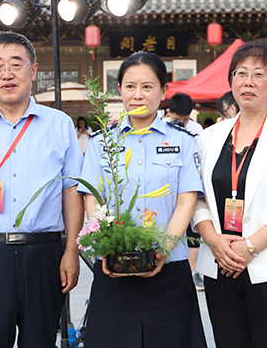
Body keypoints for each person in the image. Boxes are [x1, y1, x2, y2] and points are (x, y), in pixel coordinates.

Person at [0, 31, 84, 348]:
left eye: (16, 64)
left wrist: (71, 252)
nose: (7, 74)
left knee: (40, 341)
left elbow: (71, 192)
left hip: (45, 253)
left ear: (33, 71)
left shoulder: (59, 124)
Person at [79, 51, 207, 348]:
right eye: (130, 86)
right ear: (119, 89)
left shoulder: (182, 142)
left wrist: (164, 248)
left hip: (169, 271)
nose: (138, 95)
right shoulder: (101, 143)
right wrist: (105, 243)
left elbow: (186, 201)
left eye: (148, 87)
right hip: (114, 268)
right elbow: (93, 201)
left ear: (163, 91)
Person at [193, 41, 267, 348]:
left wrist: (249, 247)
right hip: (219, 264)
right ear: (231, 81)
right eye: (240, 73)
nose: (248, 82)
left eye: (259, 74)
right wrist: (213, 240)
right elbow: (197, 198)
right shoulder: (209, 137)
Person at [164, 92, 205, 290]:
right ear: (168, 112)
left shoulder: (197, 131)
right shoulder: (161, 128)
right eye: (176, 120)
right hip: (167, 192)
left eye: (185, 120)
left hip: (190, 185)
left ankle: (194, 271)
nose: (181, 124)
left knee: (192, 232)